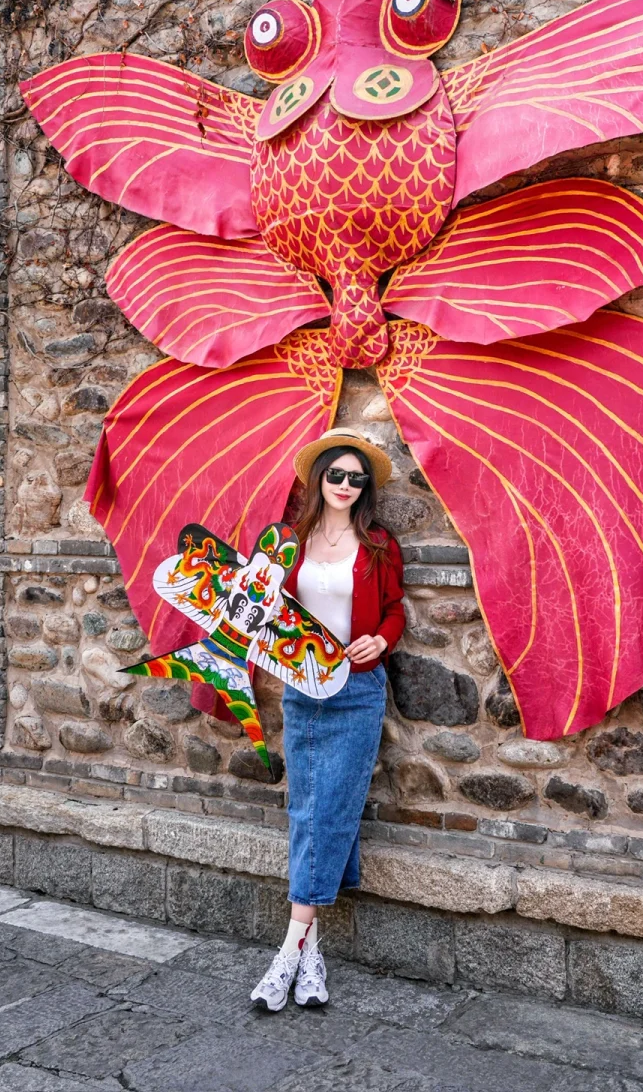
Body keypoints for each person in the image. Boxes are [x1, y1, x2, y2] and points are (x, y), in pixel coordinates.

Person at [250, 428, 405, 1013]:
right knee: (307, 808)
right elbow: (262, 609)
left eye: (356, 478)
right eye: (336, 475)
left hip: (358, 687)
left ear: (364, 488)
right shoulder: (289, 542)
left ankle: (287, 952)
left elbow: (394, 611)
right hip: (302, 688)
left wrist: (380, 640)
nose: (345, 484)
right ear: (318, 479)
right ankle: (310, 956)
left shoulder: (380, 544)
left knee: (333, 805)